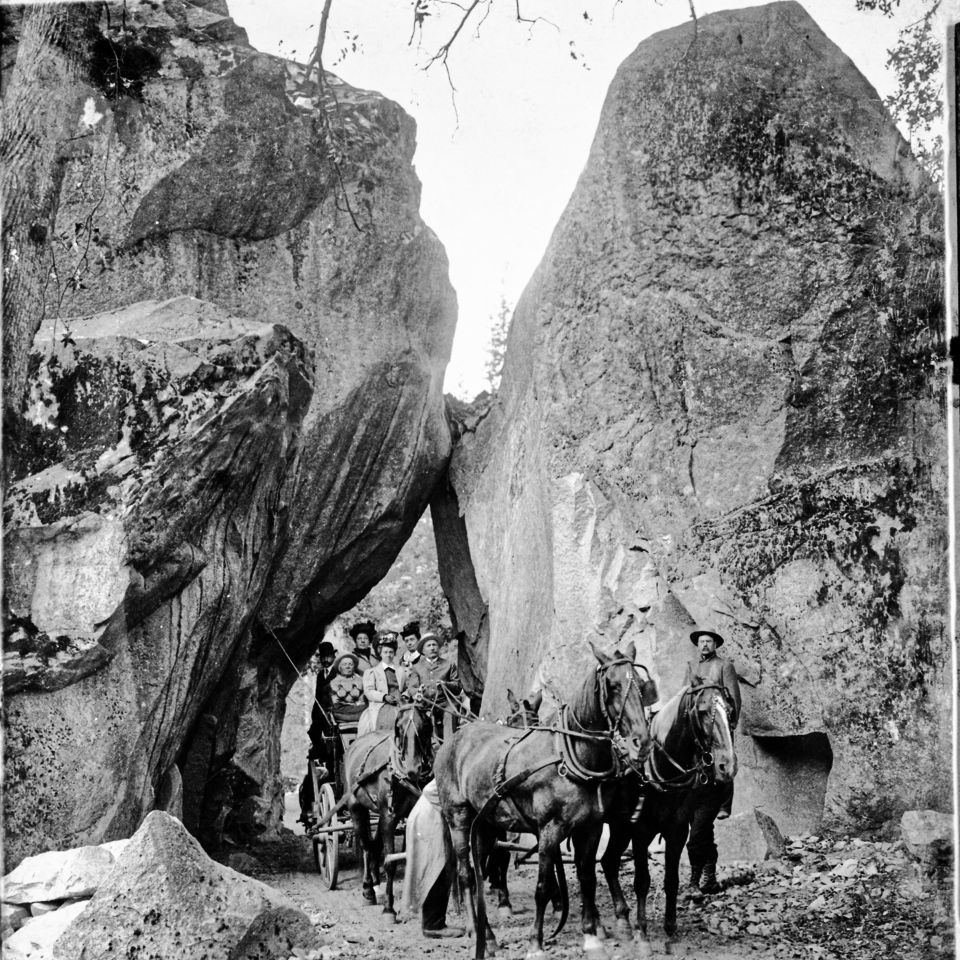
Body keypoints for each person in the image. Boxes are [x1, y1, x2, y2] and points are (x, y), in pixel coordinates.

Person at [684, 626, 741, 899]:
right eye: (701, 642)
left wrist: (726, 725)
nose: (704, 645)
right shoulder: (693, 667)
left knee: (723, 762)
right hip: (697, 730)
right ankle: (707, 874)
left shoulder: (724, 666)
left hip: (716, 728)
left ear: (715, 644)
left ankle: (723, 804)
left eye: (708, 641)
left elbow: (733, 701)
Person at [401, 779, 464, 939]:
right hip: (430, 817)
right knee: (437, 869)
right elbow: (430, 792)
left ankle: (433, 922)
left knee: (441, 868)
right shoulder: (455, 764)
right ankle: (433, 925)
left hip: (433, 814)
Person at [405, 633, 461, 744]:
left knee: (450, 713)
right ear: (423, 650)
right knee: (414, 718)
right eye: (429, 645)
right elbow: (412, 688)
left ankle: (449, 747)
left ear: (439, 648)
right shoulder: (417, 667)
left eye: (434, 645)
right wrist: (418, 691)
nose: (432, 648)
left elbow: (458, 686)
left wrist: (446, 684)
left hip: (445, 703)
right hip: (424, 704)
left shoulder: (449, 664)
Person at [358, 633, 408, 736]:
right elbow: (369, 691)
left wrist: (404, 696)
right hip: (381, 704)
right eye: (385, 652)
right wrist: (384, 697)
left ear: (394, 653)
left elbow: (408, 687)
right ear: (380, 653)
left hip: (401, 703)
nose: (388, 655)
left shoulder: (402, 671)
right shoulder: (372, 672)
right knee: (387, 720)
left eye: (391, 652)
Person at [323, 652, 368, 724]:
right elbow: (332, 706)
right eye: (344, 664)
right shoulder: (331, 684)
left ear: (354, 667)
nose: (348, 666)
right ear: (339, 668)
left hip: (362, 712)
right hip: (341, 714)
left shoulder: (363, 681)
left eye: (350, 664)